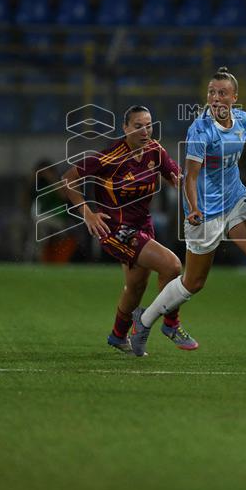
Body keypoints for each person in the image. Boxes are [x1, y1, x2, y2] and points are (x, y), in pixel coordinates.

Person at [130, 67, 246, 357]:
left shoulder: (242, 120)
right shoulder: (200, 130)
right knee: (193, 282)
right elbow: (190, 177)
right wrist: (193, 209)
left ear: (234, 98)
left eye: (222, 93)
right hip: (205, 210)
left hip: (236, 199)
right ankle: (143, 321)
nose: (215, 98)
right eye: (211, 92)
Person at [61, 105, 199, 354]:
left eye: (148, 125)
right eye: (138, 126)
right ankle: (170, 324)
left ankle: (118, 335)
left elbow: (175, 178)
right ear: (125, 128)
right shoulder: (109, 157)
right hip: (115, 229)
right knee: (172, 266)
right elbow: (68, 180)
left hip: (143, 226)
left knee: (136, 285)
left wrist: (190, 192)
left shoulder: (155, 151)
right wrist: (87, 213)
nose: (145, 131)